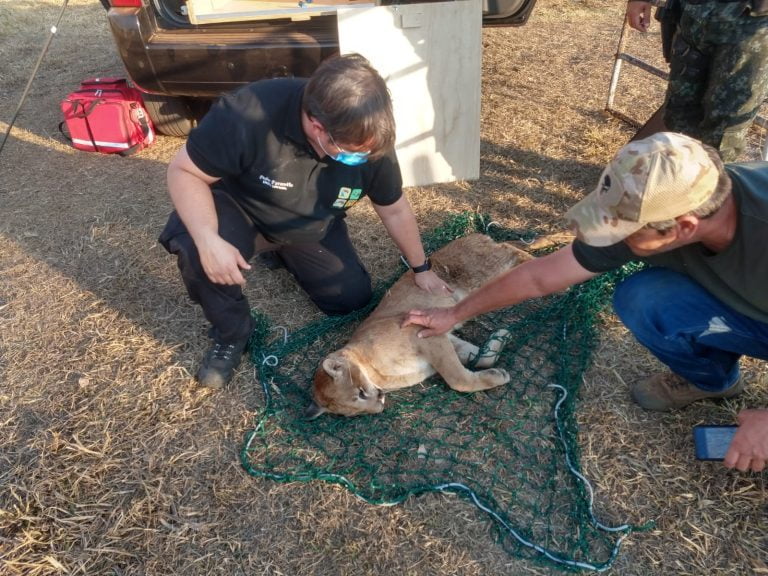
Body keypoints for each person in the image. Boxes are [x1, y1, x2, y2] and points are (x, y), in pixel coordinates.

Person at [402, 132, 768, 473]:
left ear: (683, 228)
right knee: (642, 298)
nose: (611, 236)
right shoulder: (669, 197)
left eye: (624, 229)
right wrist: (454, 313)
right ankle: (712, 379)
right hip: (748, 305)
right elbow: (539, 277)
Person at [160, 53, 449, 389]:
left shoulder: (367, 140)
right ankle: (231, 333)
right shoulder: (246, 113)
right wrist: (208, 238)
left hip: (310, 224)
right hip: (241, 208)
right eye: (351, 152)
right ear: (317, 126)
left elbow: (394, 208)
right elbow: (184, 172)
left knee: (350, 300)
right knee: (197, 250)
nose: (359, 158)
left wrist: (421, 268)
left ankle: (284, 254)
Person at [625, 0, 768, 161]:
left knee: (722, 133)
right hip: (696, 13)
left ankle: (706, 176)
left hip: (754, 25)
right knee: (678, 114)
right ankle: (673, 172)